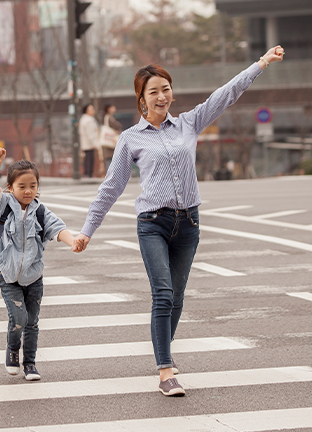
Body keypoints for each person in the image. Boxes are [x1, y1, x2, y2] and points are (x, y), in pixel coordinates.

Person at [73, 46, 285, 396]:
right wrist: (87, 231)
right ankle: (165, 370)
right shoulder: (130, 139)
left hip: (188, 223)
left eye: (166, 88)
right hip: (152, 223)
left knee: (178, 297)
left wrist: (260, 64)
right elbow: (111, 187)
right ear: (142, 100)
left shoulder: (189, 123)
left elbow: (225, 94)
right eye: (153, 91)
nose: (161, 96)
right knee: (163, 294)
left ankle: (162, 350)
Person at [0, 147, 80, 381]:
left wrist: (72, 242)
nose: (28, 191)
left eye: (33, 186)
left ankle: (30, 363)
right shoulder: (3, 206)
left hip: (34, 276)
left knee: (32, 322)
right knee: (18, 318)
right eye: (22, 186)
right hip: (7, 275)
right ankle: (12, 350)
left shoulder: (40, 212)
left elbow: (58, 229)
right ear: (10, 188)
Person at [78, 104, 100, 178]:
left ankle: (87, 174)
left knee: (88, 159)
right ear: (87, 111)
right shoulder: (88, 120)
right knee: (89, 160)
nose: (93, 111)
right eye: (91, 109)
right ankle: (88, 174)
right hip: (89, 144)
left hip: (86, 143)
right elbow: (91, 134)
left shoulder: (84, 119)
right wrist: (95, 144)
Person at [101, 104, 123, 173]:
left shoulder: (106, 117)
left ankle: (110, 173)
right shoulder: (109, 117)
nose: (114, 108)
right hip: (110, 141)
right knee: (110, 158)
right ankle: (110, 173)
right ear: (109, 109)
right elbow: (118, 125)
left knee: (110, 158)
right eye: (112, 107)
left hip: (109, 140)